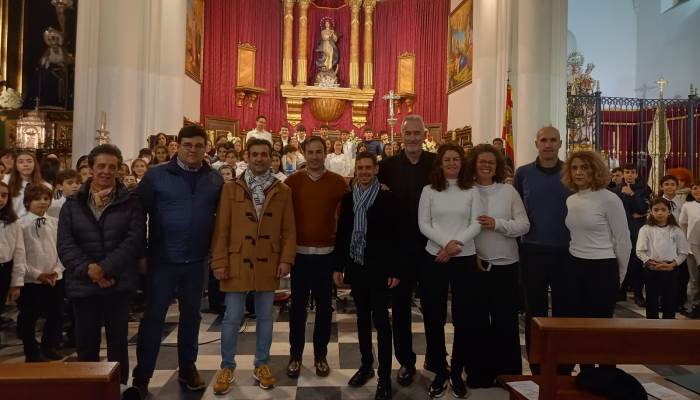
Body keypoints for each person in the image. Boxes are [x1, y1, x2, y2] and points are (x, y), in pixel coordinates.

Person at [132, 125, 224, 397]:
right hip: (163, 259)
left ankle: (187, 367)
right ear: (179, 146)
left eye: (198, 145)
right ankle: (142, 376)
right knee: (154, 318)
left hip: (197, 261)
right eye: (188, 145)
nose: (193, 150)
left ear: (206, 147)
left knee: (191, 318)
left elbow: (222, 220)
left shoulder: (215, 179)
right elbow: (138, 216)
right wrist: (141, 252)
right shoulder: (156, 176)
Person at [210, 138, 296, 395]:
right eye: (255, 154)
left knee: (266, 318)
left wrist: (286, 259)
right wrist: (219, 261)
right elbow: (221, 229)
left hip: (268, 261)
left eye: (264, 154)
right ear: (247, 156)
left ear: (272, 157)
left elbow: (289, 230)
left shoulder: (283, 190)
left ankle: (262, 364)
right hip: (237, 260)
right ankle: (227, 366)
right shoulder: (231, 189)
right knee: (232, 317)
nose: (259, 158)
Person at [57, 144, 145, 384]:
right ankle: (88, 390)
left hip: (118, 282)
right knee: (86, 343)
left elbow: (134, 240)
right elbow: (66, 245)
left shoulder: (130, 202)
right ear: (91, 169)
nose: (106, 171)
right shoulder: (72, 205)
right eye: (101, 166)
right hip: (84, 283)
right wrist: (90, 270)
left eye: (112, 167)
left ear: (118, 170)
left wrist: (104, 268)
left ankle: (119, 389)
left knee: (118, 343)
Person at [333, 152, 400, 400]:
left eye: (368, 168)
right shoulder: (348, 199)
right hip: (357, 266)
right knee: (361, 319)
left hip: (381, 269)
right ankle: (365, 366)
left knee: (381, 322)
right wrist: (337, 266)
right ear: (356, 170)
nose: (363, 172)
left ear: (376, 169)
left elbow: (396, 238)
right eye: (360, 168)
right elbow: (342, 234)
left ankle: (384, 375)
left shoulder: (388, 199)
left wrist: (395, 269)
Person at [377, 114, 436, 387]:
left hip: (431, 247)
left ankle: (436, 359)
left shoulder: (435, 164)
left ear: (425, 135)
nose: (413, 138)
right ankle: (406, 361)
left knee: (433, 306)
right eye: (408, 133)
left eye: (417, 133)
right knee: (400, 308)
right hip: (400, 249)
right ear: (402, 135)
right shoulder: (387, 166)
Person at [418, 143, 481, 398]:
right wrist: (445, 244)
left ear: (462, 162)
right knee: (433, 315)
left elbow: (476, 223)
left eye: (456, 159)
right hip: (435, 257)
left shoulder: (472, 191)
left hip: (464, 257)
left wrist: (455, 246)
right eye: (447, 160)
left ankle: (457, 370)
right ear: (440, 164)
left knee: (463, 316)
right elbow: (423, 222)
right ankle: (440, 370)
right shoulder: (429, 190)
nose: (452, 163)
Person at [285, 135, 349, 379]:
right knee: (298, 309)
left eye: (318, 152)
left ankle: (320, 355)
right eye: (310, 152)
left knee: (324, 309)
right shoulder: (292, 181)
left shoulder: (338, 183)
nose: (314, 156)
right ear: (304, 153)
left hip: (326, 256)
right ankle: (295, 356)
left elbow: (346, 219)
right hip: (300, 256)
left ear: (325, 153)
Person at [563, 151, 631, 370]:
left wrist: (620, 275)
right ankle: (586, 374)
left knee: (602, 327)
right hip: (575, 266)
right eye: (574, 168)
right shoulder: (571, 199)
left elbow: (623, 241)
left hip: (603, 267)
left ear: (595, 169)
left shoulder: (609, 199)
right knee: (579, 326)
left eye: (584, 167)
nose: (579, 172)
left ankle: (607, 376)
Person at [469, 144, 530, 387]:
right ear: (474, 164)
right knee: (479, 322)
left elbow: (524, 225)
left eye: (490, 162)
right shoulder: (467, 190)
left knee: (505, 321)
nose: (486, 166)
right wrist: (471, 253)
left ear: (497, 167)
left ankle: (509, 374)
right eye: (481, 161)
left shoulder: (508, 192)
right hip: (476, 265)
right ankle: (480, 374)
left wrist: (497, 224)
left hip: (505, 265)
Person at [513, 126, 571, 373]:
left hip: (567, 251)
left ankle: (563, 365)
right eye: (543, 140)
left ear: (560, 143)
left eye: (553, 140)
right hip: (532, 250)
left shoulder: (571, 172)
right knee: (534, 311)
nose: (548, 145)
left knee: (564, 310)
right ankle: (537, 363)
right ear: (536, 143)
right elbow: (514, 209)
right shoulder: (523, 173)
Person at [10, 184, 64, 362]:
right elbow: (19, 253)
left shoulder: (55, 223)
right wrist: (36, 274)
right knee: (29, 316)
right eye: (37, 199)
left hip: (54, 277)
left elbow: (61, 249)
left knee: (56, 314)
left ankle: (49, 345)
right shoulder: (20, 224)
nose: (42, 202)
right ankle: (31, 351)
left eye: (46, 198)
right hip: (31, 280)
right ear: (27, 202)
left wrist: (56, 271)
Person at [637, 197, 689, 319]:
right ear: (651, 211)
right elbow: (640, 251)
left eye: (663, 210)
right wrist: (650, 262)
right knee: (652, 300)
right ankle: (652, 327)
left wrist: (672, 265)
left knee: (670, 300)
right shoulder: (645, 229)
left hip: (670, 268)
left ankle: (668, 326)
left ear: (669, 212)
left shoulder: (676, 230)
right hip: (652, 268)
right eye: (656, 210)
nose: (660, 213)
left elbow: (683, 252)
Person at [612, 163, 651, 307]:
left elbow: (643, 208)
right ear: (623, 174)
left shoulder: (644, 190)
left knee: (636, 262)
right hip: (620, 230)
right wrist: (632, 213)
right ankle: (620, 291)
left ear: (636, 174)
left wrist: (632, 195)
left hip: (637, 230)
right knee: (621, 260)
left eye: (632, 172)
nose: (629, 174)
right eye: (627, 172)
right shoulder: (615, 190)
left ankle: (638, 293)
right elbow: (615, 211)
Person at [0, 181, 23, 330]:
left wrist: (16, 282)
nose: (1, 199)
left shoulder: (13, 222)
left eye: (4, 195)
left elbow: (19, 251)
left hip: (4, 270)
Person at [3, 151, 52, 218]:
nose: (25, 164)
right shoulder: (5, 181)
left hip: (35, 225)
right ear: (16, 166)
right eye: (21, 162)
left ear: (35, 164)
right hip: (11, 224)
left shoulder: (46, 186)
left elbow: (47, 211)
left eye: (29, 161)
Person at [679, 181, 700, 318]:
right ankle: (693, 305)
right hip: (693, 247)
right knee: (694, 279)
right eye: (695, 188)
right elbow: (682, 225)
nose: (698, 190)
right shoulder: (688, 206)